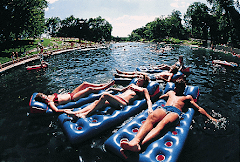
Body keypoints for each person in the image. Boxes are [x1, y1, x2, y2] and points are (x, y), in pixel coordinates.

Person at [120, 78, 218, 153]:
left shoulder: (187, 97)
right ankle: (134, 141)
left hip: (175, 112)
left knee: (162, 124)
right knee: (151, 117)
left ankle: (140, 145)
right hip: (164, 109)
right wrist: (157, 97)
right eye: (176, 86)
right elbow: (162, 97)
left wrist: (211, 117)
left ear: (183, 88)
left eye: (179, 87)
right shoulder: (171, 92)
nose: (176, 88)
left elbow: (199, 108)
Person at [64, 74, 152, 118]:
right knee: (96, 102)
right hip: (117, 99)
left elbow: (148, 100)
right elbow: (121, 90)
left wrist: (150, 108)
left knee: (105, 95)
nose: (138, 79)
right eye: (138, 77)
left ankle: (86, 115)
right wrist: (111, 88)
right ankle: (77, 113)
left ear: (144, 81)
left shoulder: (143, 90)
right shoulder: (131, 86)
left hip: (123, 103)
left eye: (140, 78)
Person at [35, 80, 115, 113]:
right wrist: (67, 110)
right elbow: (56, 110)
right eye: (42, 98)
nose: (44, 97)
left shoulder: (49, 96)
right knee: (89, 89)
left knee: (84, 83)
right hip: (73, 98)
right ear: (42, 100)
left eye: (43, 95)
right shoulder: (50, 102)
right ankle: (104, 87)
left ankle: (101, 85)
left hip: (71, 93)